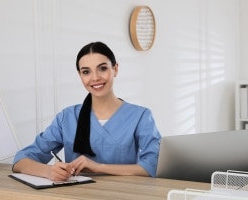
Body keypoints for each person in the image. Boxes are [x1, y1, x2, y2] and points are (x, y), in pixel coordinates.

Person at [12, 41, 161, 181]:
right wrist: (49, 171)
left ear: (115, 69)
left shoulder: (140, 117)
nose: (95, 78)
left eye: (102, 68)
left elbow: (153, 166)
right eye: (86, 72)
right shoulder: (67, 118)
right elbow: (21, 160)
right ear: (80, 75)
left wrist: (97, 167)